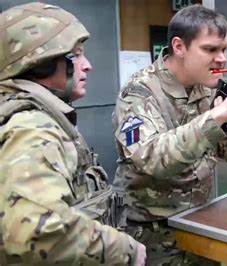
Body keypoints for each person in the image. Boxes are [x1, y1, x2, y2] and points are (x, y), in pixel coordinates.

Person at [112, 4, 227, 265]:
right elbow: (150, 159)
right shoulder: (139, 93)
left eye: (224, 49)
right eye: (210, 49)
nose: (221, 58)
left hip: (200, 221)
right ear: (179, 46)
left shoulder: (208, 88)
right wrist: (218, 116)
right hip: (151, 233)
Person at [0, 3, 146, 265]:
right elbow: (35, 231)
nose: (87, 65)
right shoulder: (32, 126)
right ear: (41, 64)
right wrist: (124, 250)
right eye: (76, 55)